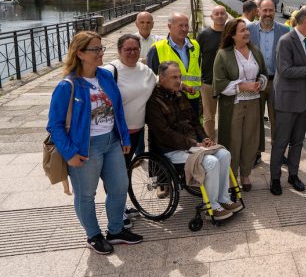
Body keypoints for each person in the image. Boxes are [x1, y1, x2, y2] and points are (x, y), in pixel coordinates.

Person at [47, 31, 143, 255]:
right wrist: (70, 153)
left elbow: (117, 109)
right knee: (86, 194)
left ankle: (116, 230)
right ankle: (93, 235)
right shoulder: (67, 86)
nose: (101, 53)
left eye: (101, 48)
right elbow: (55, 125)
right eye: (95, 49)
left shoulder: (105, 76)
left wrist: (124, 137)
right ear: (80, 53)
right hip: (85, 147)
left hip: (111, 142)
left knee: (119, 186)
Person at [145, 61, 242, 219]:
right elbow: (165, 134)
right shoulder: (153, 102)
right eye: (174, 77)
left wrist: (205, 138)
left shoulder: (180, 95)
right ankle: (212, 206)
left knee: (224, 154)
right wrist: (193, 143)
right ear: (161, 78)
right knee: (210, 162)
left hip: (192, 145)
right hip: (170, 149)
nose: (179, 81)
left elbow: (195, 122)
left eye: (180, 77)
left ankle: (223, 198)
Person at [269, 6, 306, 196]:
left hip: (302, 100)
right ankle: (275, 179)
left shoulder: (304, 41)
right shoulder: (286, 41)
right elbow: (285, 70)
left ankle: (293, 175)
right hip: (287, 101)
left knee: (298, 142)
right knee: (281, 142)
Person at [103, 34, 157, 227]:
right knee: (114, 176)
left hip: (136, 132)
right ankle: (117, 215)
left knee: (124, 171)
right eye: (128, 49)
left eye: (135, 49)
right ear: (119, 51)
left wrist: (182, 85)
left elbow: (159, 82)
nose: (132, 53)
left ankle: (121, 207)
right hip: (116, 133)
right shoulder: (110, 71)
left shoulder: (145, 71)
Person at [213, 19, 267, 191]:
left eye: (246, 30)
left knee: (250, 140)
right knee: (233, 141)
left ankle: (245, 174)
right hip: (234, 104)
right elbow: (219, 84)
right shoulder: (223, 54)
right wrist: (243, 86)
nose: (246, 33)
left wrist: (260, 83)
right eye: (242, 31)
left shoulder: (255, 51)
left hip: (253, 102)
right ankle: (231, 177)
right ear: (232, 35)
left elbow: (263, 73)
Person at [248, 0, 290, 166]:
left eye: (271, 10)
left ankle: (278, 153)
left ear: (275, 11)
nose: (267, 14)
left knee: (277, 121)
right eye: (264, 10)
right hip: (255, 83)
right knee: (255, 120)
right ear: (258, 11)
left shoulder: (284, 30)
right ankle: (256, 153)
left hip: (276, 82)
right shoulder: (249, 30)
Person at [147, 12, 202, 117]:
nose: (184, 29)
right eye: (180, 25)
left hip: (193, 98)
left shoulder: (195, 45)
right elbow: (151, 78)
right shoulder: (157, 49)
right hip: (169, 101)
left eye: (186, 25)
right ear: (169, 26)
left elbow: (198, 69)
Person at [196, 5, 229, 139]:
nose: (220, 16)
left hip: (228, 83)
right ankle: (210, 143)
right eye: (217, 13)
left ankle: (225, 143)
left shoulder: (231, 35)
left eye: (222, 13)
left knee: (226, 116)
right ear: (211, 17)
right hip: (208, 82)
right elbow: (196, 58)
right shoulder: (204, 35)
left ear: (226, 16)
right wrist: (198, 79)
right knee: (209, 117)